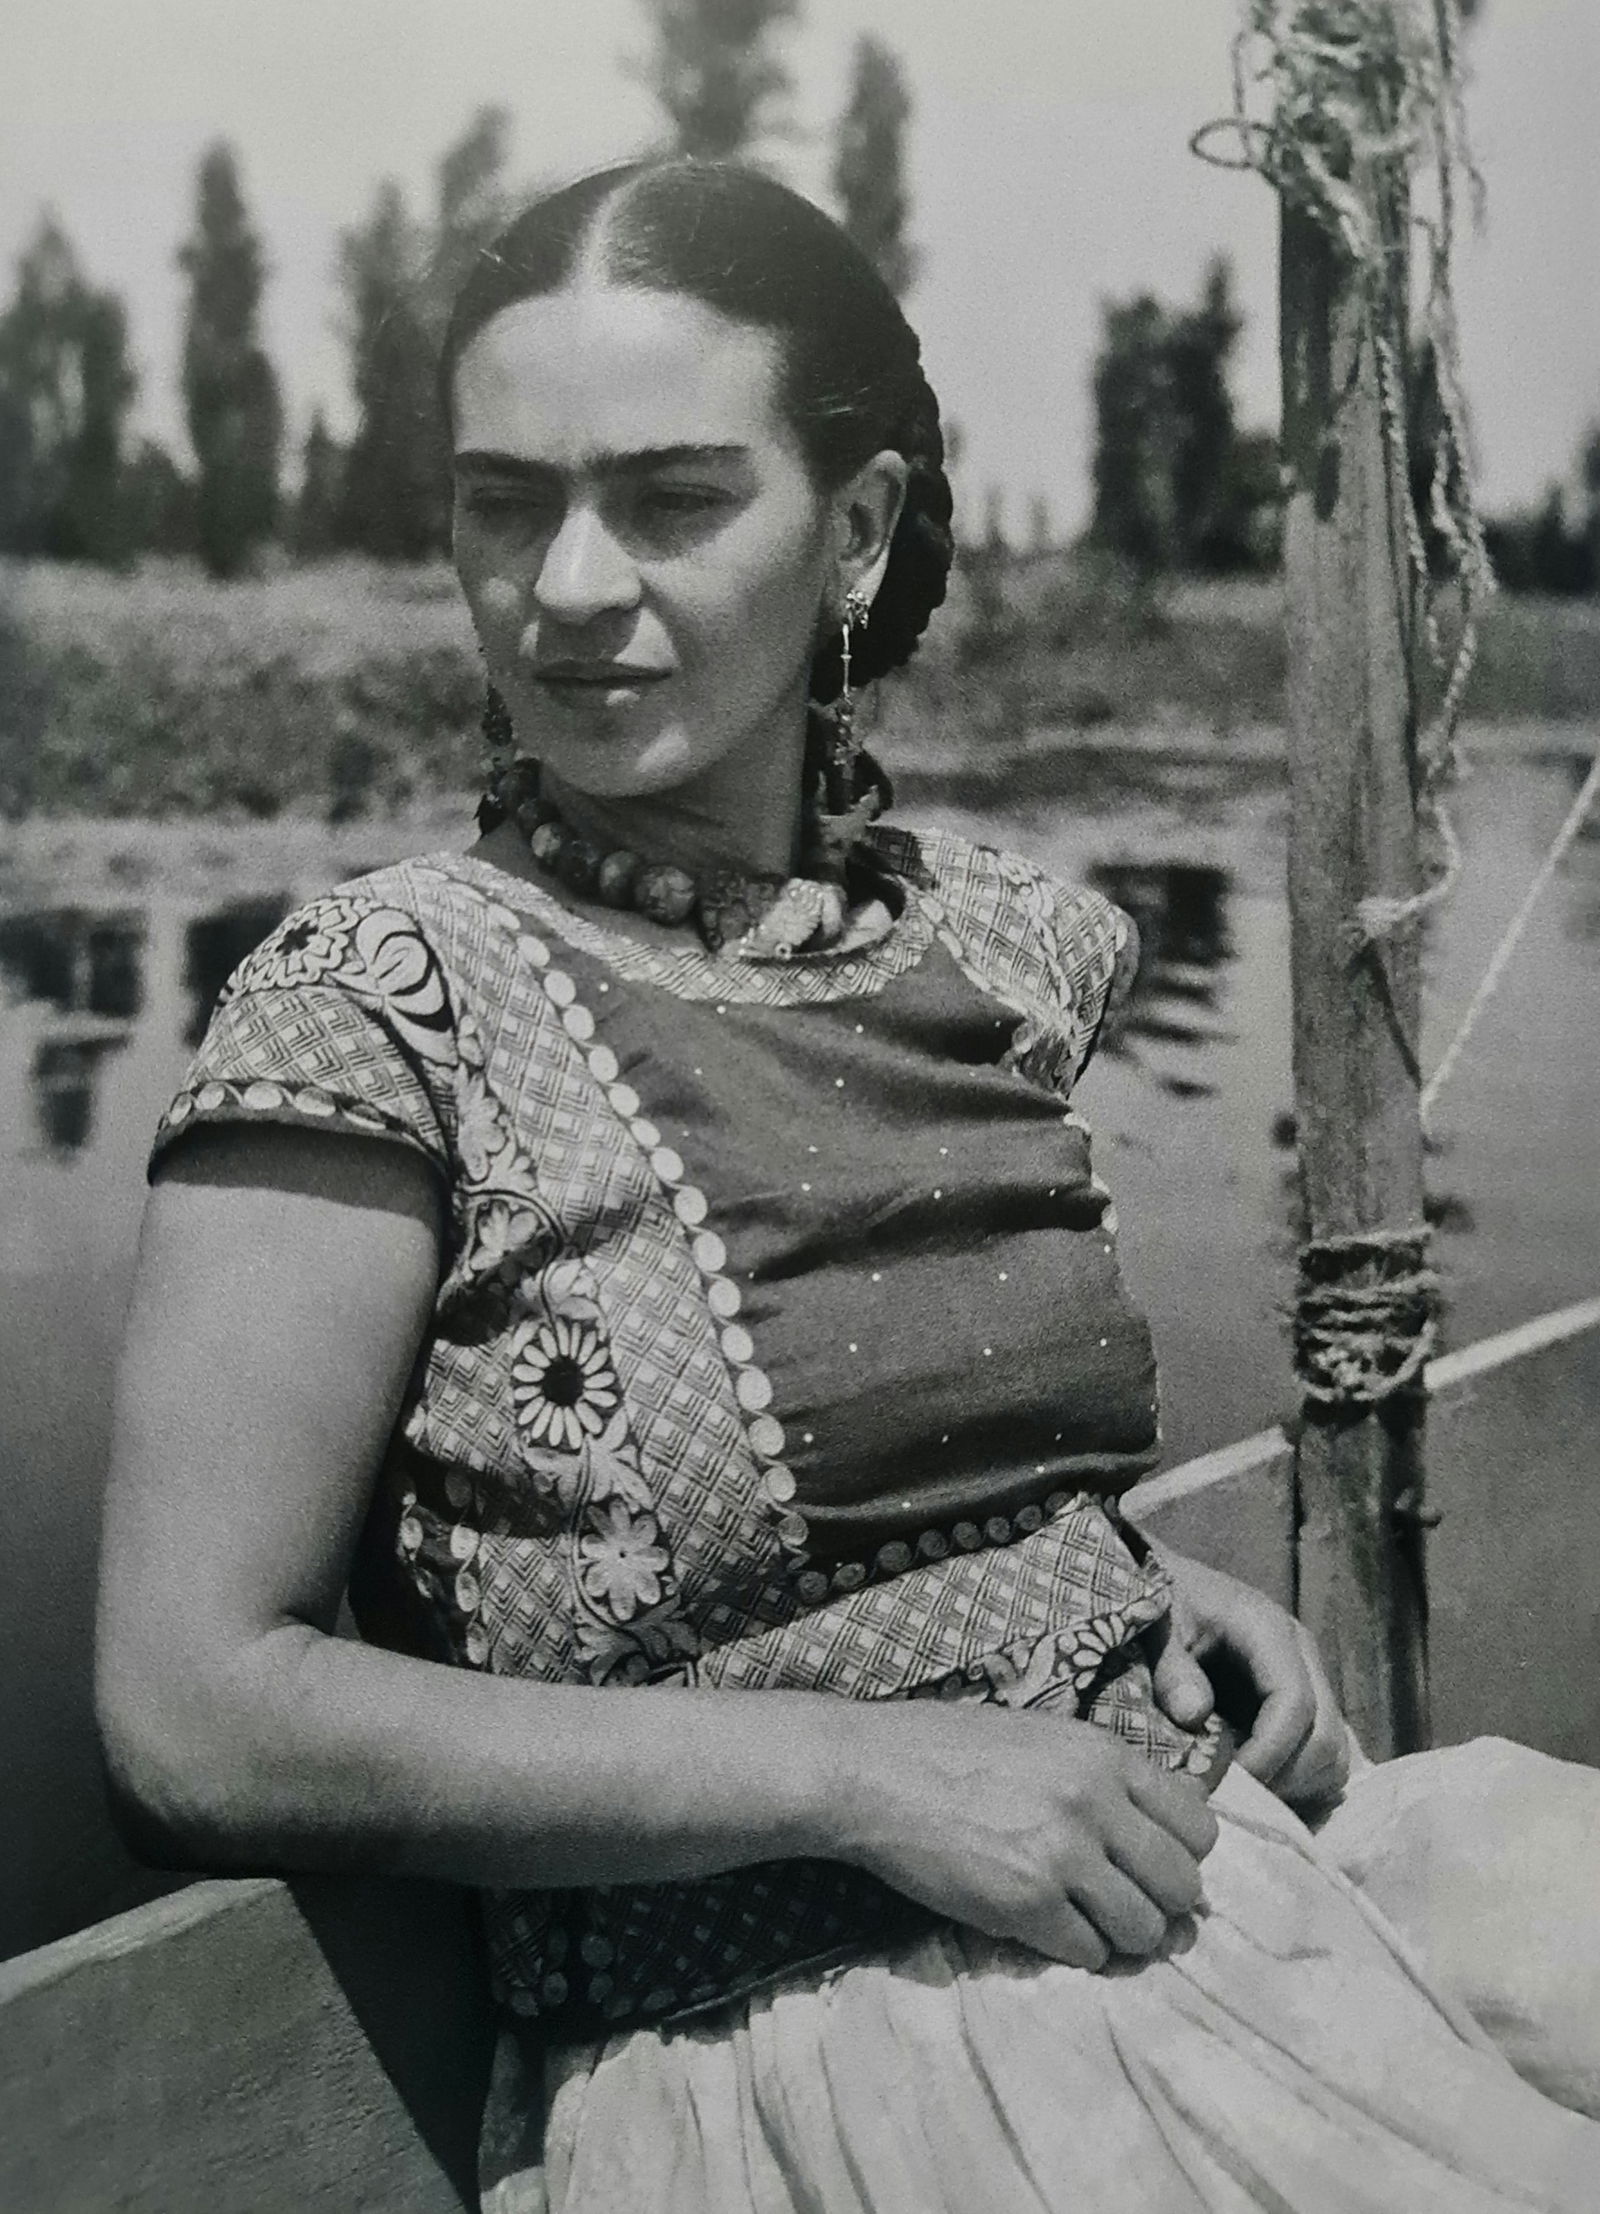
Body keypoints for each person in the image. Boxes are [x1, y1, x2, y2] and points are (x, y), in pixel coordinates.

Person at [96, 159, 1600, 2212]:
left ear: (858, 527)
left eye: (672, 497)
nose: (567, 584)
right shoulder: (372, 1009)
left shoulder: (989, 947)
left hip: (1206, 1895)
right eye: (502, 499)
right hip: (828, 2073)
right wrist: (866, 1776)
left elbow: (910, 1453)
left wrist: (1122, 1589)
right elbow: (194, 1706)